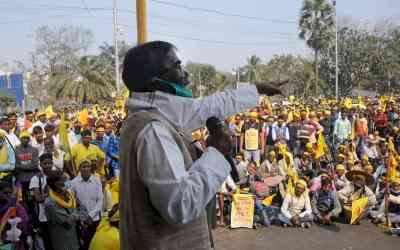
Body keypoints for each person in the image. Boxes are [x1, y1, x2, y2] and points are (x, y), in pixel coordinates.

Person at [119, 41, 282, 250]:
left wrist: (256, 90)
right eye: (177, 67)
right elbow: (180, 205)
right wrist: (216, 153)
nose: (185, 74)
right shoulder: (154, 131)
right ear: (154, 82)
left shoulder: (154, 115)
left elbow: (209, 106)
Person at [71, 160, 103, 250]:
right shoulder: (73, 183)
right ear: (79, 169)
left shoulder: (97, 181)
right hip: (82, 221)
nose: (86, 169)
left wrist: (90, 215)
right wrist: (84, 217)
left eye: (88, 166)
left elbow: (100, 200)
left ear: (91, 168)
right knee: (85, 244)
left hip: (95, 219)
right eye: (83, 167)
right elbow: (73, 202)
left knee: (96, 244)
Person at [44, 170, 80, 250]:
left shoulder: (67, 194)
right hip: (63, 242)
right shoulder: (50, 203)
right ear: (57, 184)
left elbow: (78, 208)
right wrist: (77, 213)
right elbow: (68, 222)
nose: (68, 182)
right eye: (64, 180)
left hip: (73, 239)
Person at [29, 153, 54, 250]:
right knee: (48, 241)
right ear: (40, 164)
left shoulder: (57, 175)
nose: (47, 165)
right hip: (44, 215)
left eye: (49, 163)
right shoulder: (36, 179)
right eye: (45, 163)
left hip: (57, 215)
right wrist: (48, 194)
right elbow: (38, 198)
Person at [0, 181, 31, 250]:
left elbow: (25, 222)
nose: (8, 195)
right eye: (5, 193)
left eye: (10, 193)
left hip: (17, 242)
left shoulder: (17, 206)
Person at [15, 130, 40, 204]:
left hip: (32, 178)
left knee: (33, 199)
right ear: (20, 139)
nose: (25, 139)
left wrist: (22, 167)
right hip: (21, 178)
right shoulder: (16, 150)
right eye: (23, 138)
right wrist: (28, 166)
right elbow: (16, 165)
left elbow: (35, 165)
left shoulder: (34, 150)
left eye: (27, 138)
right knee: (23, 199)